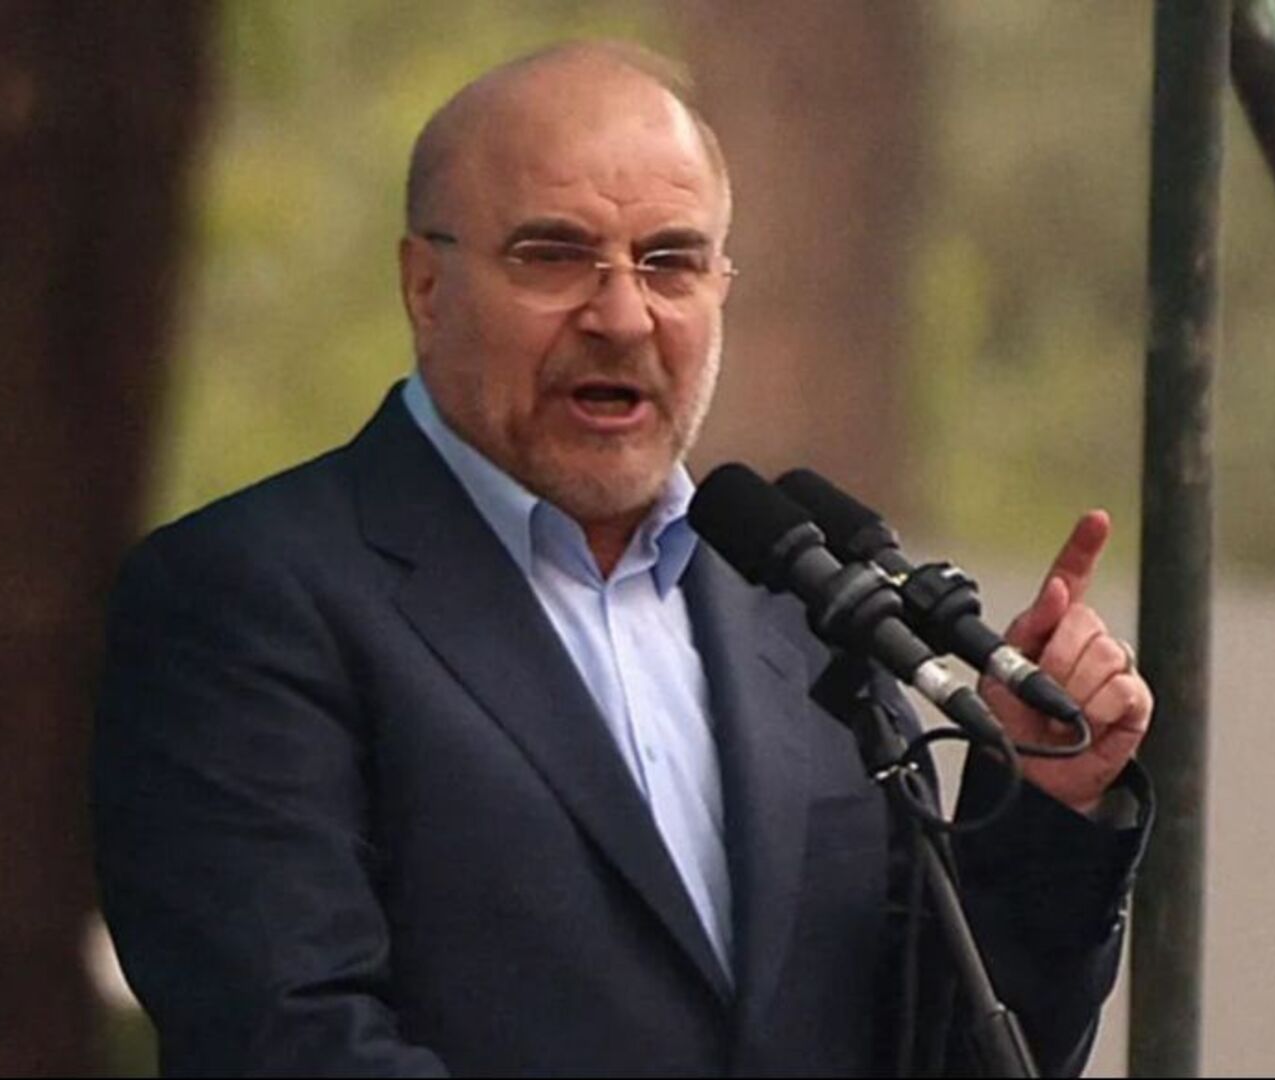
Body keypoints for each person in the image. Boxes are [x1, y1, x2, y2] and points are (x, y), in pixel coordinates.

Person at [93, 41, 1154, 1078]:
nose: (620, 315)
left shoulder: (803, 605)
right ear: (424, 286)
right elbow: (288, 1038)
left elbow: (944, 1054)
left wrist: (1045, 807)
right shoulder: (244, 596)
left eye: (670, 262)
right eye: (553, 256)